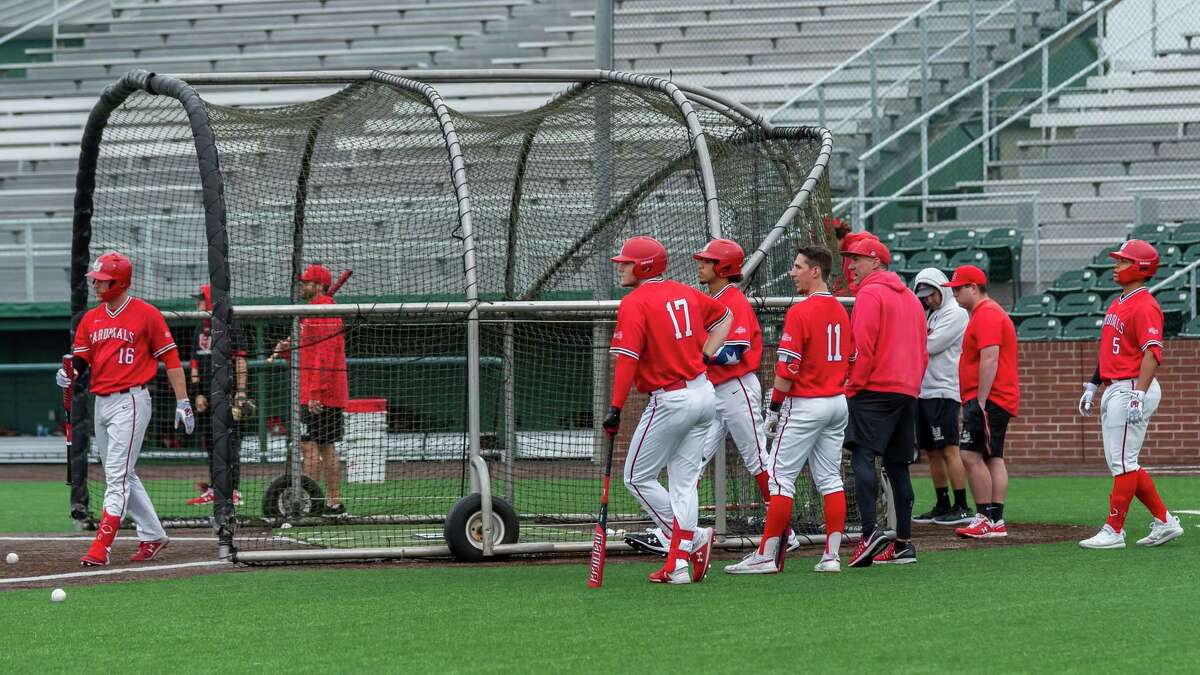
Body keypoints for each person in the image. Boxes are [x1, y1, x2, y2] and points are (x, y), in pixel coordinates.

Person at [624, 238, 796, 555]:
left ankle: (784, 530)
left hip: (736, 388)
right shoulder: (712, 297)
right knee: (693, 464)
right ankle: (678, 532)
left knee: (758, 459)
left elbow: (734, 353)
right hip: (709, 393)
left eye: (707, 261)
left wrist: (698, 353)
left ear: (724, 267)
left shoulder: (733, 300)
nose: (700, 265)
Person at [604, 236, 733, 584]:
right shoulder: (686, 292)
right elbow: (726, 316)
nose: (621, 266)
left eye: (627, 262)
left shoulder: (634, 302)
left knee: (635, 476)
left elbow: (628, 361)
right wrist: (706, 354)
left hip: (672, 400)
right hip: (704, 393)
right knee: (683, 484)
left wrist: (615, 408)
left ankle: (688, 545)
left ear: (644, 266)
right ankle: (677, 565)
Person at [58, 252, 195, 565]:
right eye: (96, 281)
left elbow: (171, 358)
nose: (96, 286)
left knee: (117, 478)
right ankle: (154, 534)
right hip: (101, 402)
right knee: (121, 474)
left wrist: (183, 400)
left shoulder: (146, 314)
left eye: (102, 281)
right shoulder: (91, 319)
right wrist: (69, 372)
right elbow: (81, 360)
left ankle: (101, 547)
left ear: (119, 282)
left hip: (131, 400)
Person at [725, 246, 852, 574]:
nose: (792, 272)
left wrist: (774, 409)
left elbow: (786, 369)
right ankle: (832, 556)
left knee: (780, 479)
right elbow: (851, 360)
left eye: (798, 267)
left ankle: (766, 556)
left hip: (806, 403)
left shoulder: (801, 311)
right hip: (837, 402)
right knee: (829, 479)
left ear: (816, 272)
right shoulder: (841, 310)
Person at [1077, 240, 1184, 549]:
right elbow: (1110, 349)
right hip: (1116, 386)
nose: (1116, 266)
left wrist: (1139, 393)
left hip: (1132, 387)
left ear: (1140, 267)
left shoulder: (1145, 304)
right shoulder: (1120, 301)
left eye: (1123, 262)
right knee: (1124, 462)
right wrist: (1093, 384)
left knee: (1123, 462)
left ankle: (1114, 529)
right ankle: (1165, 521)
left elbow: (1152, 353)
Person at [840, 236, 928, 567]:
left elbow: (862, 345)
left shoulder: (870, 294)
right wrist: (912, 387)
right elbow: (923, 351)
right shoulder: (911, 299)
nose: (851, 265)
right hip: (907, 392)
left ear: (876, 262)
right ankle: (903, 543)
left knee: (862, 457)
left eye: (857, 260)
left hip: (874, 388)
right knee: (898, 466)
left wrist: (854, 386)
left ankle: (869, 532)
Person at [941, 265, 1019, 540]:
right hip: (995, 397)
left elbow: (990, 358)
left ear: (973, 287)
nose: (955, 295)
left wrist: (980, 402)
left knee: (970, 456)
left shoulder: (986, 314)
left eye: (958, 289)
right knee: (992, 456)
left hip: (989, 398)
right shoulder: (987, 312)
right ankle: (995, 519)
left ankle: (986, 517)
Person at [272, 264, 350, 516]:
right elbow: (308, 353)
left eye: (307, 282)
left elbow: (326, 355)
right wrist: (287, 349)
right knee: (320, 446)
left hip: (320, 393)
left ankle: (315, 501)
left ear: (318, 285)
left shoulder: (324, 310)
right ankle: (328, 502)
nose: (302, 286)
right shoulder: (312, 311)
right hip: (313, 390)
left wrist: (316, 392)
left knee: (314, 447)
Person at [911, 268, 972, 526]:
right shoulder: (929, 315)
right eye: (924, 296)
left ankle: (961, 505)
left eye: (932, 294)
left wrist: (914, 340)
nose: (928, 300)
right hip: (923, 391)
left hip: (944, 391)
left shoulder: (956, 314)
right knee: (932, 451)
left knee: (949, 449)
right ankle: (942, 503)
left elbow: (928, 346)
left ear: (942, 290)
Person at [185, 284, 248, 507]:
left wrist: (240, 392)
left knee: (230, 444)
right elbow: (194, 365)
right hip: (207, 398)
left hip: (227, 394)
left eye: (201, 300)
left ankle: (234, 490)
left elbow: (240, 361)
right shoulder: (199, 330)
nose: (197, 304)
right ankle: (215, 488)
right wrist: (197, 394)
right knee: (211, 444)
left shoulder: (230, 326)